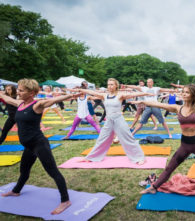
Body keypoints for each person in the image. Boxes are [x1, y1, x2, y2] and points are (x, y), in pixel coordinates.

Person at [0, 79, 76, 214]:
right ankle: (16, 191)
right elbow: (5, 97)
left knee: (53, 171)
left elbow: (53, 100)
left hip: (39, 144)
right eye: (18, 89)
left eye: (21, 90)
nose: (18, 92)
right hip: (28, 146)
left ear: (31, 93)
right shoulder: (19, 103)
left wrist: (70, 95)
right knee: (24, 171)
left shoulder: (37, 105)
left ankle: (65, 200)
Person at [74, 78, 151, 164]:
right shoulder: (104, 95)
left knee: (128, 138)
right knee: (101, 139)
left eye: (111, 84)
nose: (109, 86)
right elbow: (93, 92)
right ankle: (90, 157)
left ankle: (139, 158)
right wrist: (80, 89)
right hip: (109, 120)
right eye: (108, 84)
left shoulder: (120, 95)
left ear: (116, 86)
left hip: (119, 119)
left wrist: (146, 93)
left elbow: (133, 94)